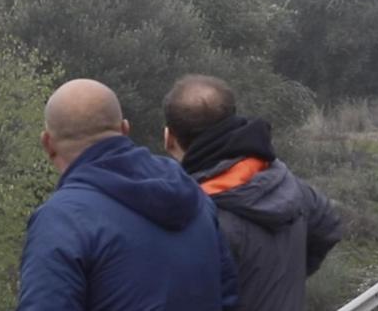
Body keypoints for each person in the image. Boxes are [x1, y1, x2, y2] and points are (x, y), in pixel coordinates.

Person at [18, 79, 238, 311]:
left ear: (47, 144)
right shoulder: (197, 200)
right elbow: (228, 299)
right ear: (124, 129)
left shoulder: (62, 221)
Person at [163, 74, 342, 311]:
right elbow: (328, 227)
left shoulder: (194, 217)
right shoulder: (282, 179)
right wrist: (287, 278)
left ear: (169, 138)